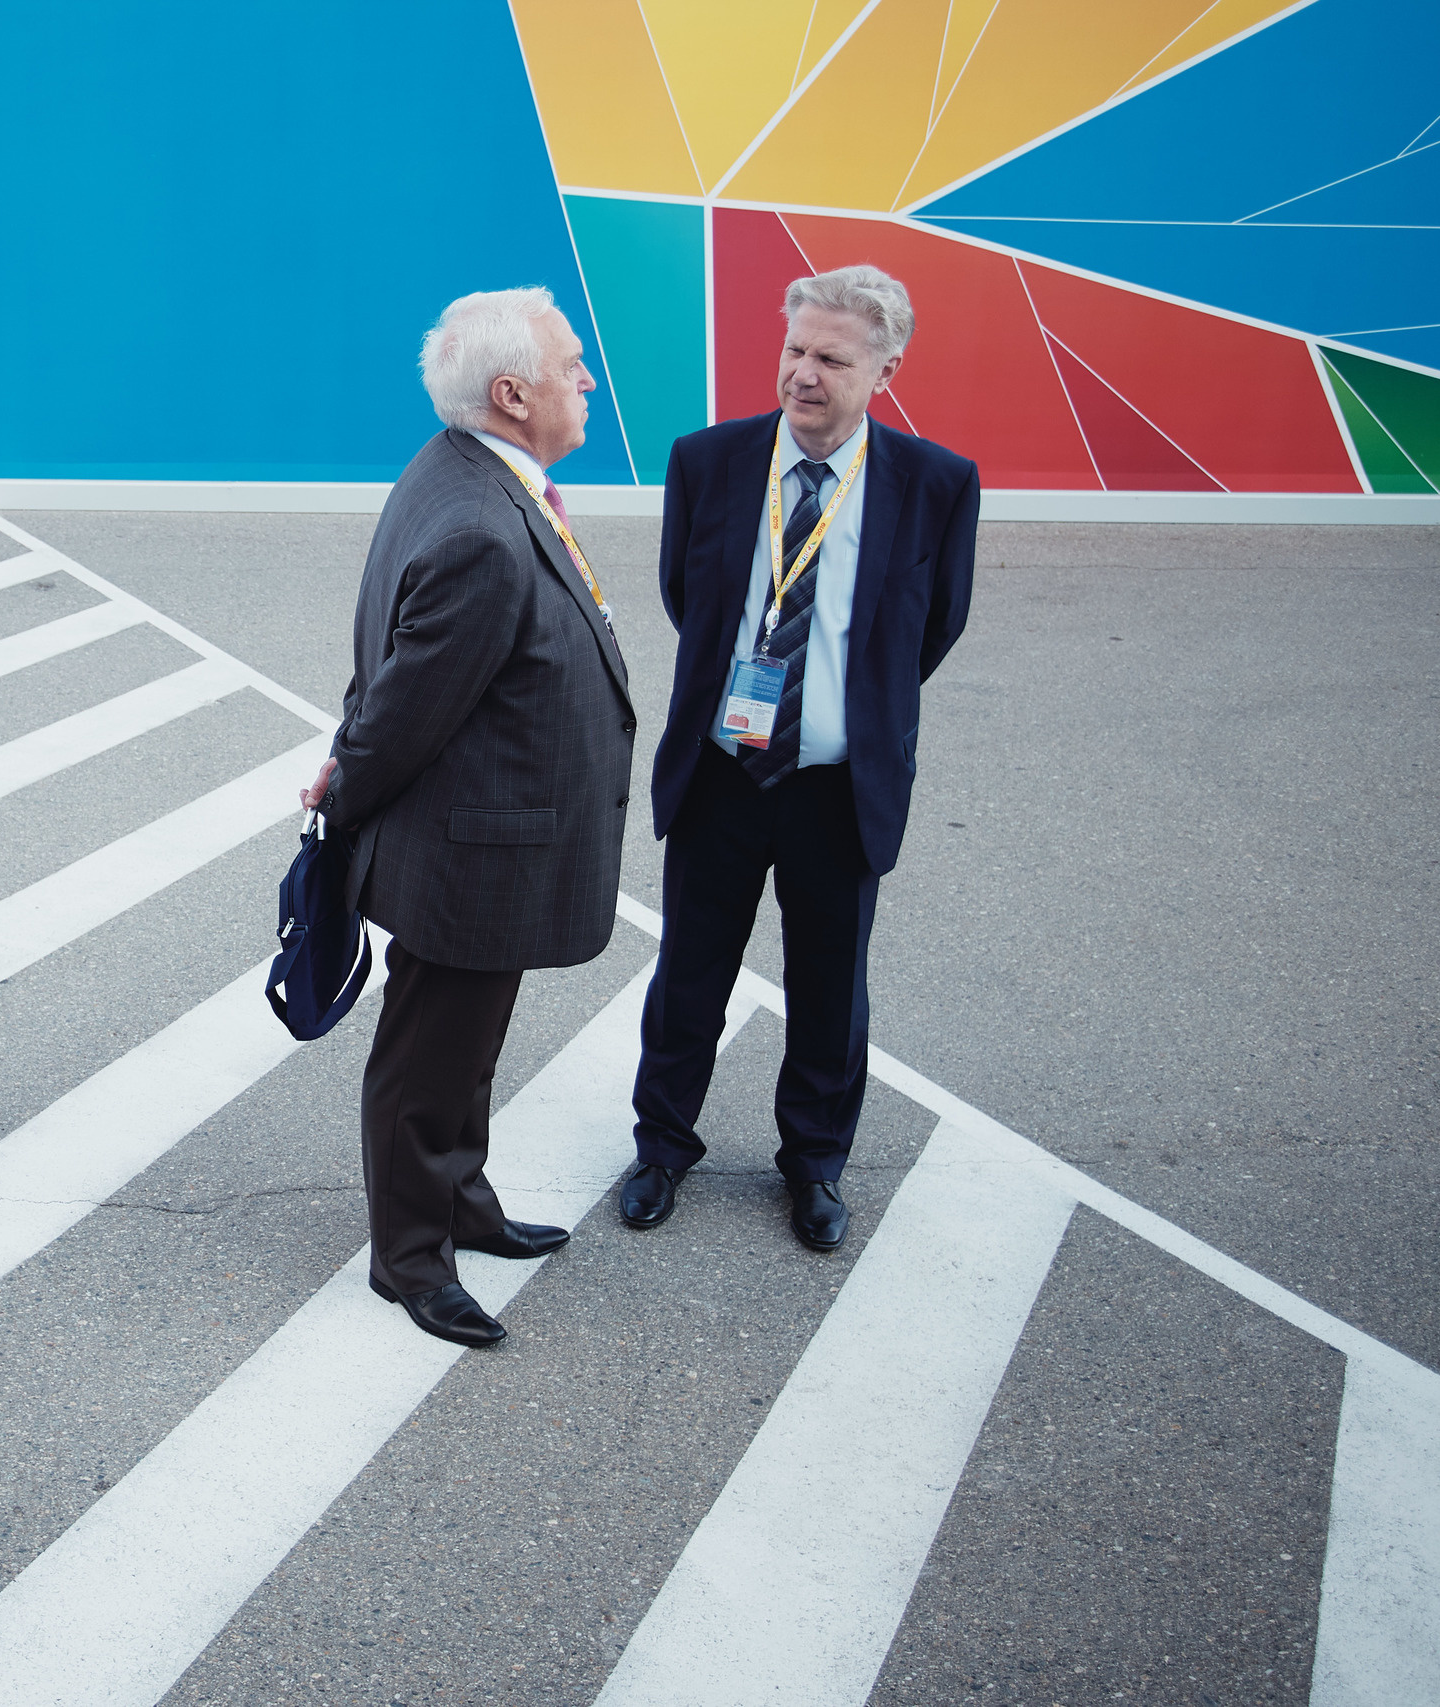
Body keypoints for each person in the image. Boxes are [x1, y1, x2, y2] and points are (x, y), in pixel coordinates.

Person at [300, 286, 638, 1347]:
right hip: (468, 854)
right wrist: (340, 794)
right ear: (511, 393)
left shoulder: (463, 470)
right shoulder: (483, 529)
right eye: (571, 364)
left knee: (468, 1045)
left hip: (488, 843)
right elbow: (406, 708)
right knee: (428, 1054)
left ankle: (460, 1201)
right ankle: (408, 1260)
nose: (588, 380)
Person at [620, 264, 978, 1251]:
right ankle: (661, 1148)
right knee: (689, 972)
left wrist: (838, 713)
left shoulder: (935, 486)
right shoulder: (707, 463)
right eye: (792, 349)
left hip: (837, 788)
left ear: (885, 370)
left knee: (829, 984)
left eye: (830, 357)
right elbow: (687, 600)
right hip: (724, 775)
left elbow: (932, 629)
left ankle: (813, 1165)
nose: (802, 373)